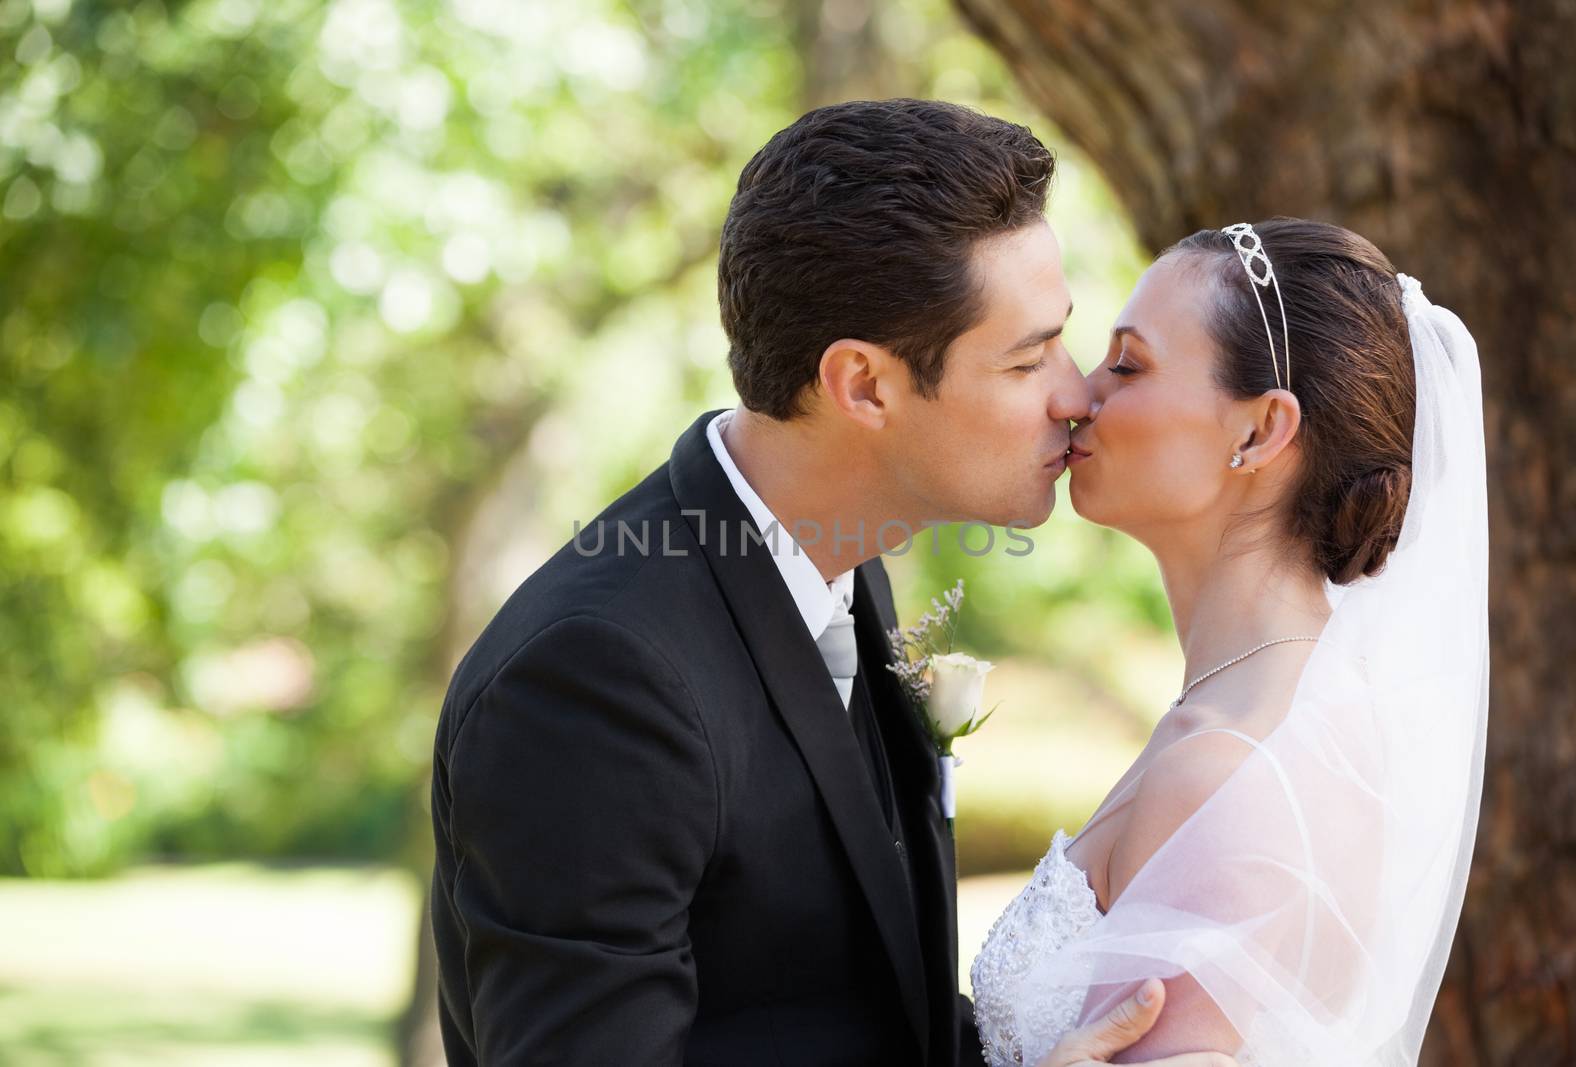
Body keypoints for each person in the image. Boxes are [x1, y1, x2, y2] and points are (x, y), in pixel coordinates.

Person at [427, 98, 1236, 1066]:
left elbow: (848, 1016)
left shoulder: (842, 572)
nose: (1074, 394)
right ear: (863, 385)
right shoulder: (595, 678)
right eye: (1027, 358)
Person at [971, 219, 1489, 1065]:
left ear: (1259, 431)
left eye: (1128, 364)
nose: (1077, 394)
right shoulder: (1282, 705)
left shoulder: (1222, 764)